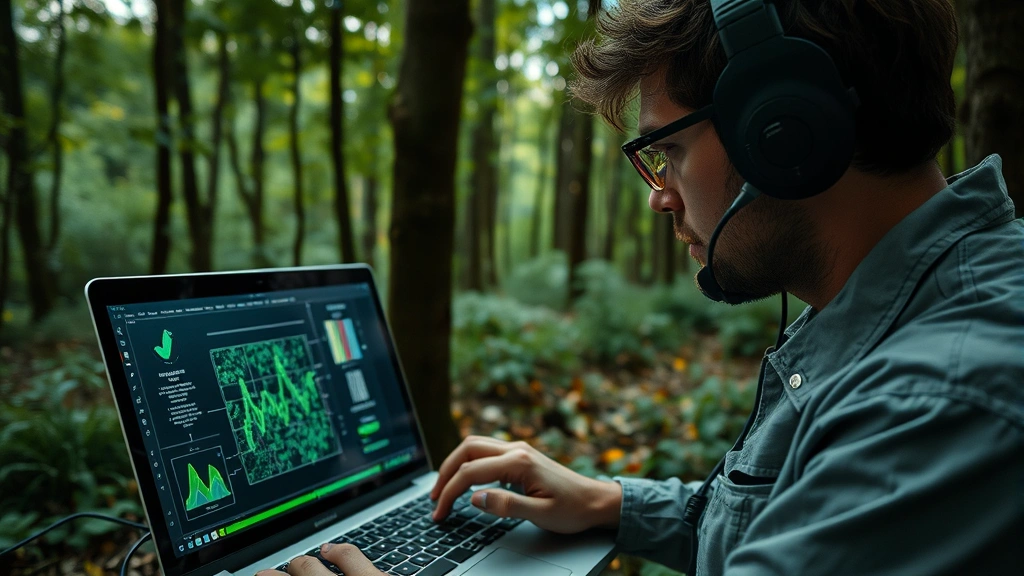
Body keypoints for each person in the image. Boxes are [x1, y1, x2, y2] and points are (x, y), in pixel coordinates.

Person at [262, 1, 1024, 575]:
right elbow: (789, 525)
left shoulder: (944, 400)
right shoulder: (901, 313)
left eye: (668, 151)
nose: (659, 195)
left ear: (783, 131)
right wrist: (613, 503)